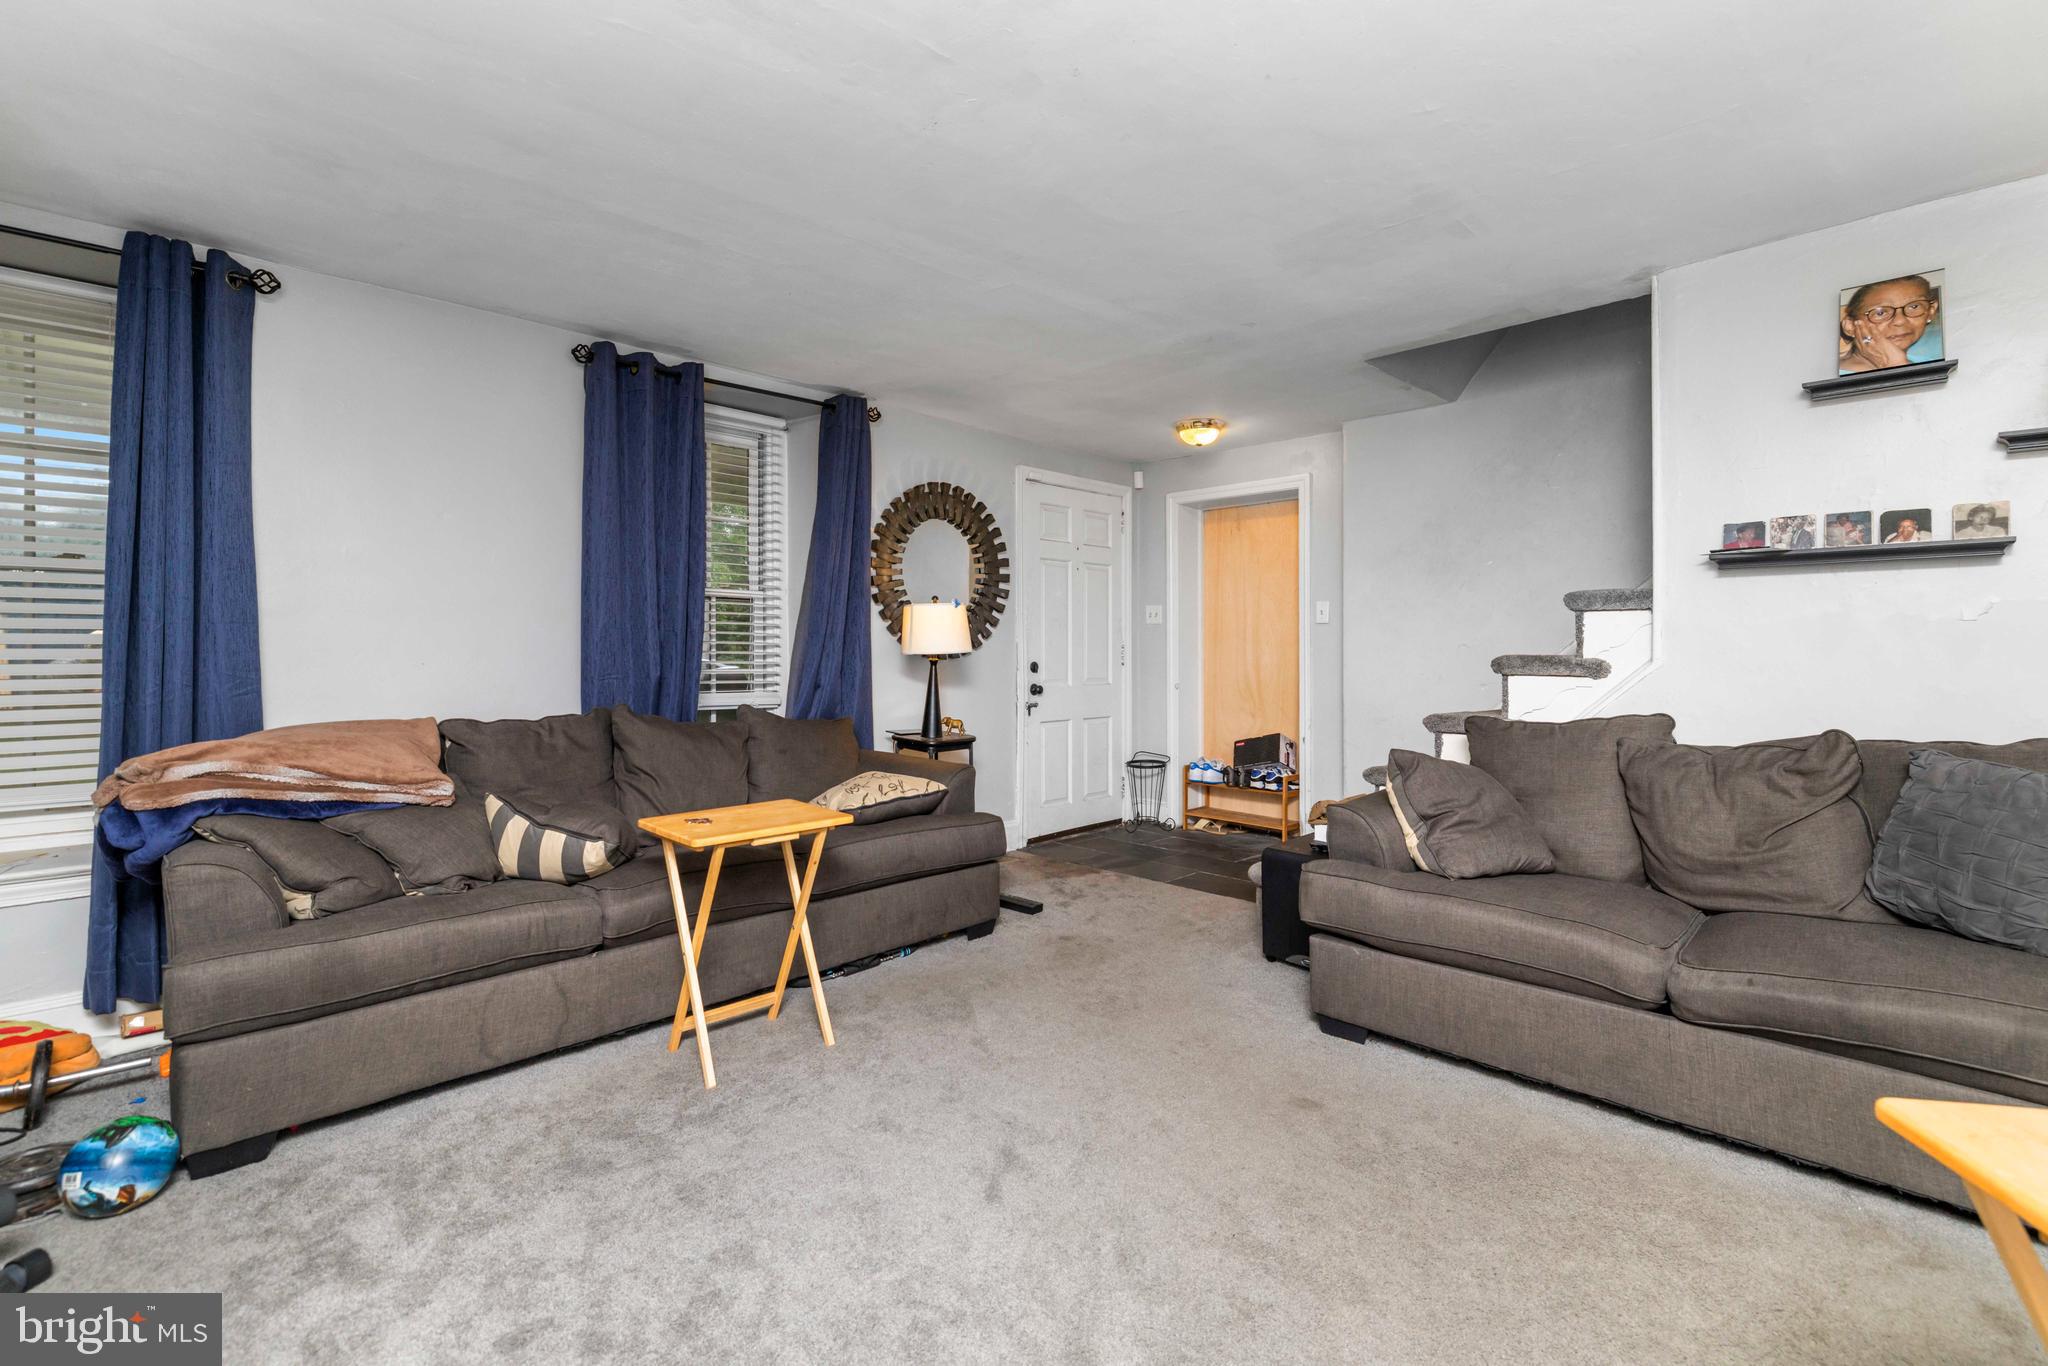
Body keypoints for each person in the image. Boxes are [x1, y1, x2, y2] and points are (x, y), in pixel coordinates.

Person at [1839, 274, 1941, 374]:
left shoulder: (1935, 358)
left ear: (1930, 311)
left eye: (1914, 306)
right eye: (1880, 313)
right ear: (1850, 326)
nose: (1900, 321)